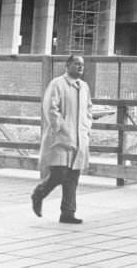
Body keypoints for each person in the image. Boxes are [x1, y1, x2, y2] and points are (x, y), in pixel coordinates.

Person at [31, 54, 92, 224]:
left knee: (73, 176)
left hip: (79, 138)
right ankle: (39, 193)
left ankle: (68, 213)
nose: (80, 67)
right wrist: (61, 129)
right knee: (59, 173)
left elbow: (88, 109)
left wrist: (86, 127)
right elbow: (51, 108)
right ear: (67, 65)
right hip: (60, 138)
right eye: (76, 64)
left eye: (82, 65)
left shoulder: (84, 87)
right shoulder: (57, 84)